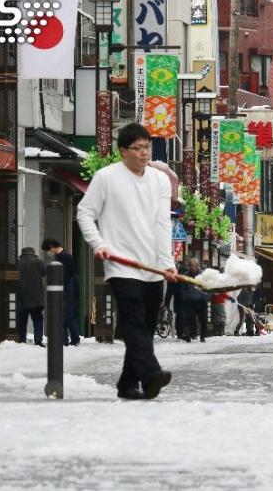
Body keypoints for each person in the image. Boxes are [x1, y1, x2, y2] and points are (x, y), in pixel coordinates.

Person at [76, 123, 176, 400]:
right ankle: (151, 374)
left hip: (153, 266)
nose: (145, 153)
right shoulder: (106, 177)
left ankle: (127, 384)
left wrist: (167, 263)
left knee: (144, 327)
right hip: (121, 263)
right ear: (123, 151)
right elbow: (84, 212)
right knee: (132, 320)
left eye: (148, 147)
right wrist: (99, 244)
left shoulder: (160, 180)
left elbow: (162, 223)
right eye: (138, 148)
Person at [41, 238, 80, 346]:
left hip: (68, 289)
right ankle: (64, 340)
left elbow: (69, 275)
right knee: (62, 315)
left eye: (48, 250)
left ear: (51, 247)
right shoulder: (61, 256)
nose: (49, 253)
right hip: (64, 289)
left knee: (67, 315)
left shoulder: (65, 257)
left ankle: (75, 339)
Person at [16, 247, 46, 347]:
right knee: (38, 320)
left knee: (22, 320)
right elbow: (45, 272)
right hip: (36, 298)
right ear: (33, 254)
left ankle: (21, 340)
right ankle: (38, 340)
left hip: (22, 297)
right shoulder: (39, 262)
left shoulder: (18, 263)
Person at [164, 261, 194, 342]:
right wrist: (166, 304)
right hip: (178, 298)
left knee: (187, 315)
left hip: (187, 297)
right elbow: (169, 290)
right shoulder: (171, 274)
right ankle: (180, 334)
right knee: (180, 315)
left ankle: (188, 333)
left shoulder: (185, 271)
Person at [184, 258, 210, 341]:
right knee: (189, 319)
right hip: (189, 301)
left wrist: (205, 298)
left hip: (201, 301)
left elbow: (209, 287)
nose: (192, 267)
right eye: (191, 265)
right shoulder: (186, 275)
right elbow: (182, 288)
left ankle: (202, 336)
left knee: (203, 320)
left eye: (194, 265)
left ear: (198, 266)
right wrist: (184, 297)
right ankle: (189, 335)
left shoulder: (203, 275)